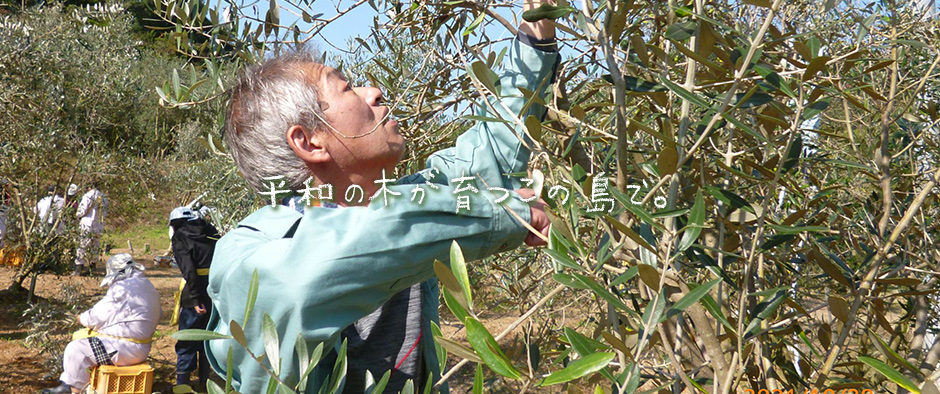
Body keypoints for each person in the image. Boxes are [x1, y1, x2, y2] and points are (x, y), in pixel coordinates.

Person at [205, 2, 557, 392]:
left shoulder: (408, 204)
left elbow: (490, 152)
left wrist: (536, 34)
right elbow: (312, 272)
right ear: (309, 141)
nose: (372, 91)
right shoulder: (251, 252)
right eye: (346, 88)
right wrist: (502, 214)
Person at [41, 254, 160, 394]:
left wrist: (81, 318)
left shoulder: (122, 288)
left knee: (76, 349)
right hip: (140, 347)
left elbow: (97, 316)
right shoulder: (147, 286)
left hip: (125, 349)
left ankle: (73, 389)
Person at [168, 206, 220, 389]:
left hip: (194, 295)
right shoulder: (212, 232)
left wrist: (196, 299)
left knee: (187, 341)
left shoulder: (180, 237)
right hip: (214, 292)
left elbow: (188, 269)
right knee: (207, 340)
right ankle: (206, 385)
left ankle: (183, 386)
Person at [75, 182, 107, 275]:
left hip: (87, 223)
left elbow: (82, 210)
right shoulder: (104, 197)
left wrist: (78, 216)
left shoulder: (88, 196)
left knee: (83, 245)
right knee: (95, 246)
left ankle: (79, 268)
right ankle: (92, 267)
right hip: (98, 225)